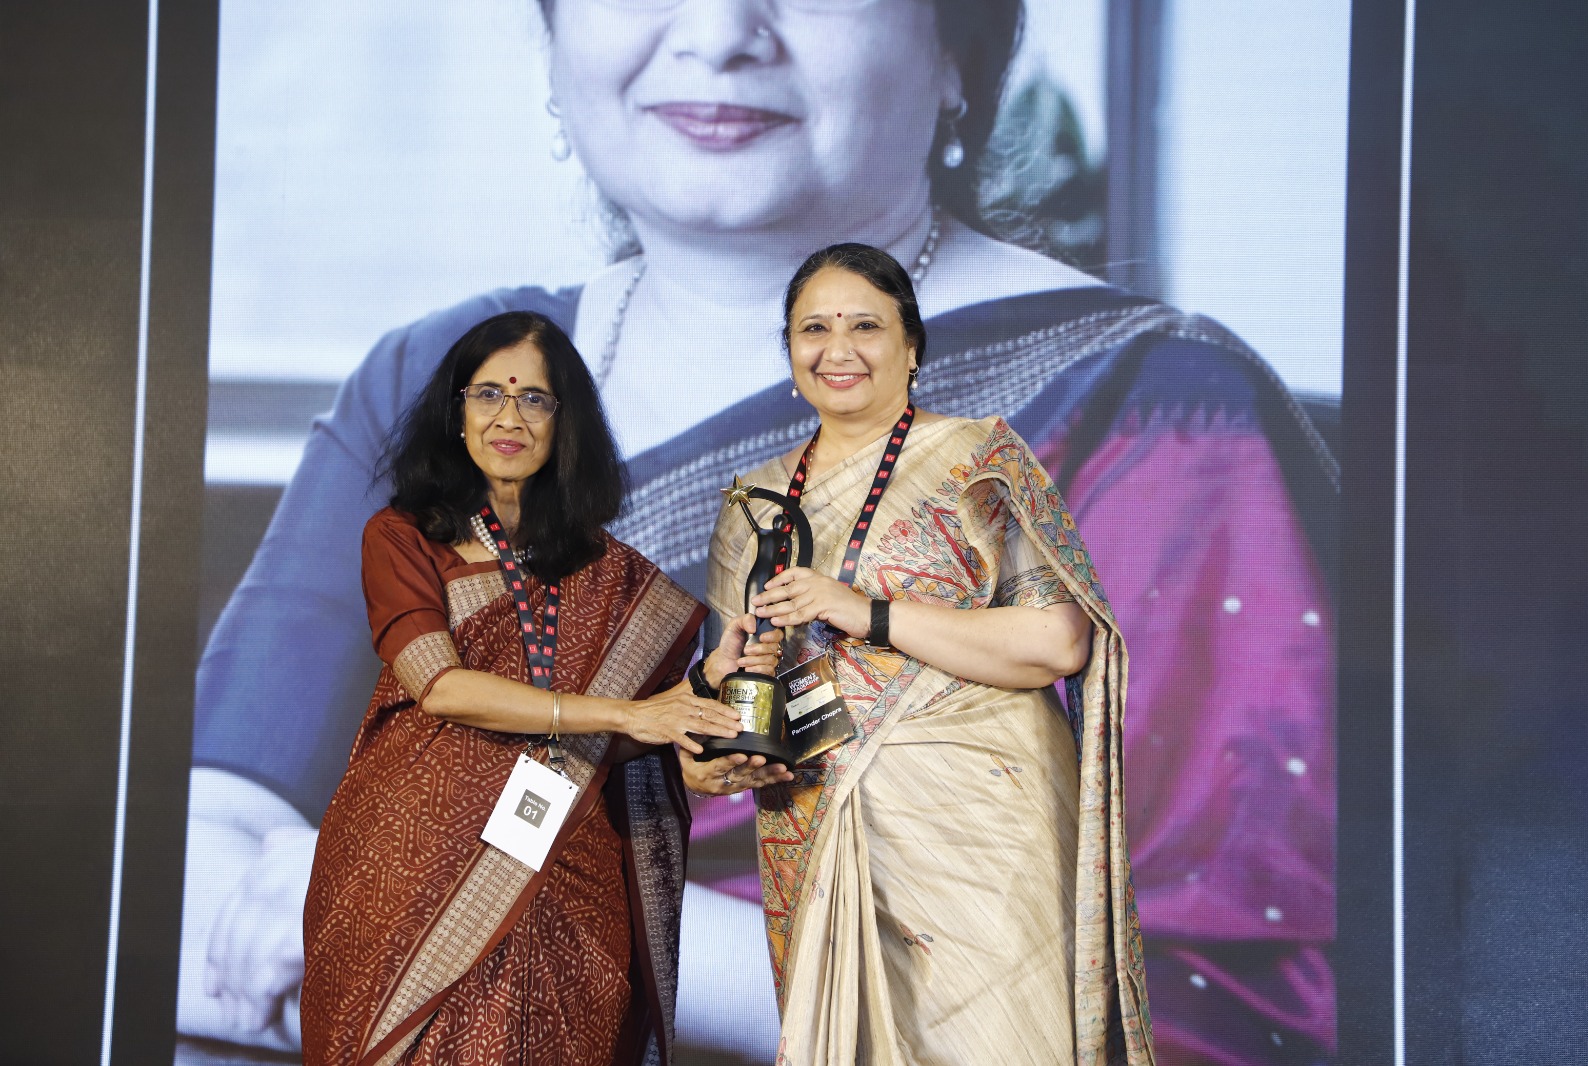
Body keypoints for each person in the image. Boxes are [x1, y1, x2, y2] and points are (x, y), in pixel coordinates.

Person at [187, 1, 1337, 1061]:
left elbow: (1179, 1006)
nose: (720, 29)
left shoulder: (1155, 419)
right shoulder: (435, 384)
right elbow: (188, 866)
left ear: (957, 46)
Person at [298, 310, 785, 1065]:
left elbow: (630, 739)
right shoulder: (403, 537)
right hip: (413, 860)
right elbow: (442, 687)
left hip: (571, 868)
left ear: (567, 424)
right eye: (487, 394)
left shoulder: (618, 577)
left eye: (535, 400)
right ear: (455, 412)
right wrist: (629, 711)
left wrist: (707, 692)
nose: (509, 417)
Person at [703, 242, 1150, 1062]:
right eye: (814, 328)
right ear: (790, 352)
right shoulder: (753, 501)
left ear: (911, 346)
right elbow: (736, 688)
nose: (838, 349)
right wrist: (723, 714)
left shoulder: (979, 457)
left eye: (865, 325)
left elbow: (1058, 639)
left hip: (985, 823)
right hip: (816, 821)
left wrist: (866, 612)